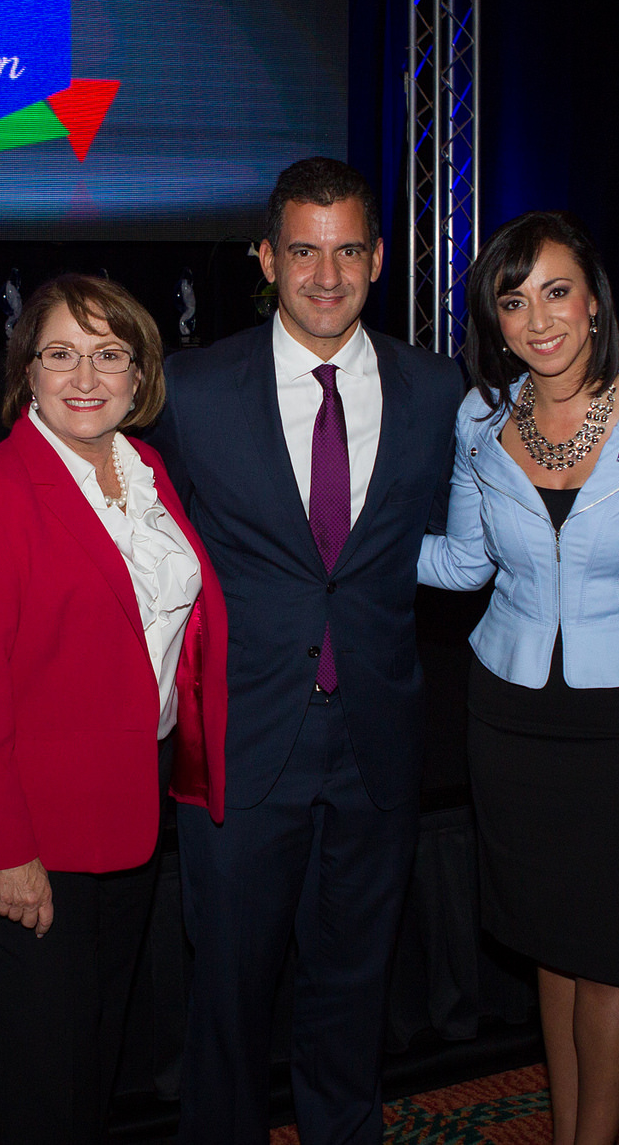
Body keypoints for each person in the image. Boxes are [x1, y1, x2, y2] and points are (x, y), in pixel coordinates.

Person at [153, 157, 465, 1144]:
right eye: (301, 252)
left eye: (344, 252)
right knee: (230, 1000)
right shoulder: (192, 391)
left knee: (352, 989)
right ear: (265, 258)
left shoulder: (434, 389)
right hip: (241, 747)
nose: (324, 276)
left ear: (375, 259)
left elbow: (474, 533)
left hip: (375, 743)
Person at [0, 274, 229, 1144]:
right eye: (60, 354)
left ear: (140, 374)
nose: (84, 376)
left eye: (109, 354)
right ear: (28, 370)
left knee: (92, 1059)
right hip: (29, 845)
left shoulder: (150, 471)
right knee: (44, 1084)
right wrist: (8, 853)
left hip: (126, 821)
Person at [417, 212, 619, 1144]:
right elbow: (461, 562)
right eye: (514, 299)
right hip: (510, 712)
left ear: (594, 301)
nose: (539, 319)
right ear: (494, 319)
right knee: (553, 942)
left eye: (557, 291)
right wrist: (344, 547)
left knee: (613, 949)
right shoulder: (480, 418)